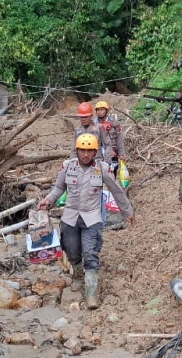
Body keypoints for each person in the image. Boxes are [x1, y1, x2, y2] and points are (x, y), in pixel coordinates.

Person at [38, 133, 134, 310]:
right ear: (77, 151)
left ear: (95, 152)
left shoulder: (102, 169)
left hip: (92, 218)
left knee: (90, 253)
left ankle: (91, 294)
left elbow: (117, 190)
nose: (86, 155)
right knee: (72, 250)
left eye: (89, 151)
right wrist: (48, 200)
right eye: (82, 150)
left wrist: (127, 211)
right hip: (70, 217)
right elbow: (59, 187)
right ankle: (78, 275)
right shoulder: (67, 167)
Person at [94, 100, 125, 173]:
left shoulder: (114, 123)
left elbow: (119, 139)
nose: (99, 112)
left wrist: (121, 154)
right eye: (98, 110)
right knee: (97, 177)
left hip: (112, 153)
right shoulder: (93, 124)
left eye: (102, 110)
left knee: (112, 176)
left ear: (106, 110)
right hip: (97, 154)